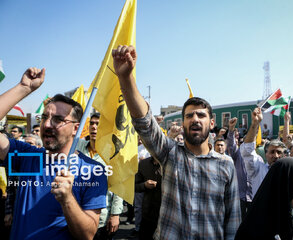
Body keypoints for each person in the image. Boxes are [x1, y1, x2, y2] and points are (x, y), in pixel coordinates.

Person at [112, 45, 240, 240]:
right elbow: (145, 123)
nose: (195, 119)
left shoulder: (226, 164)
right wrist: (126, 78)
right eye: (189, 116)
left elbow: (233, 220)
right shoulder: (170, 153)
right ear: (183, 123)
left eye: (201, 115)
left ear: (211, 123)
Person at [0, 68, 107, 239]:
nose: (47, 124)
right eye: (44, 117)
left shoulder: (93, 170)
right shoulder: (27, 157)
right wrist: (23, 87)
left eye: (58, 119)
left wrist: (67, 199)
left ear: (76, 128)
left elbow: (87, 235)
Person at [76, 112, 123, 240]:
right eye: (91, 123)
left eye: (98, 124)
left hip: (101, 218)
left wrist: (115, 214)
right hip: (76, 214)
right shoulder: (77, 147)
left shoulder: (113, 154)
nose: (94, 127)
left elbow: (117, 186)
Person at [240, 107, 286, 197]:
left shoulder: (288, 172)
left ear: (284, 155)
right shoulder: (258, 169)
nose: (276, 156)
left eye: (279, 152)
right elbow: (247, 151)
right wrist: (255, 123)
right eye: (272, 152)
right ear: (266, 155)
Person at [227, 117, 252, 217]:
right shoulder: (237, 154)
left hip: (253, 197)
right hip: (239, 197)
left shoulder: (258, 158)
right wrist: (231, 129)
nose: (247, 145)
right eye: (244, 142)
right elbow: (231, 145)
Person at [135, 156, 162, 240]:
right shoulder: (143, 164)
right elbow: (135, 186)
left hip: (167, 216)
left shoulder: (173, 163)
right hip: (148, 215)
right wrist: (144, 185)